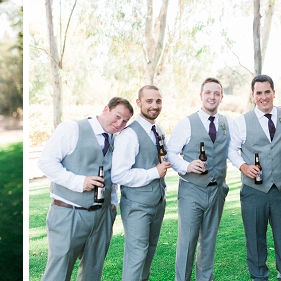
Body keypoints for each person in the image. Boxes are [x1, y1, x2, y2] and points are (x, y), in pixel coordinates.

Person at [37, 96, 133, 281]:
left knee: (92, 273)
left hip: (102, 217)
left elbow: (113, 173)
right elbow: (46, 162)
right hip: (69, 213)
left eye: (125, 121)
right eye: (117, 116)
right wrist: (79, 182)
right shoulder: (72, 129)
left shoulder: (116, 139)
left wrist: (112, 203)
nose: (120, 123)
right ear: (106, 109)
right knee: (58, 273)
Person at [228, 75, 281, 281]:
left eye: (267, 92)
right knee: (255, 238)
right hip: (253, 191)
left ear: (274, 93)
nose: (263, 97)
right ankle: (259, 276)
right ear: (253, 96)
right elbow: (231, 149)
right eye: (258, 93)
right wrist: (243, 166)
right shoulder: (241, 121)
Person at [166, 78, 235, 281]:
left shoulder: (228, 122)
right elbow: (171, 152)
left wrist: (278, 111)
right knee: (187, 242)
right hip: (191, 190)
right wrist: (186, 166)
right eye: (208, 93)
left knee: (208, 242)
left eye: (216, 93)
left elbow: (249, 130)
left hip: (217, 191)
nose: (212, 97)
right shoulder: (187, 123)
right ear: (201, 95)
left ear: (221, 97)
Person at [112, 85, 172, 281]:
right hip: (137, 206)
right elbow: (119, 175)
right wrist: (153, 173)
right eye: (149, 101)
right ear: (139, 103)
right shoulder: (129, 135)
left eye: (158, 101)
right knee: (137, 256)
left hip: (157, 202)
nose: (154, 106)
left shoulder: (160, 131)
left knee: (148, 254)